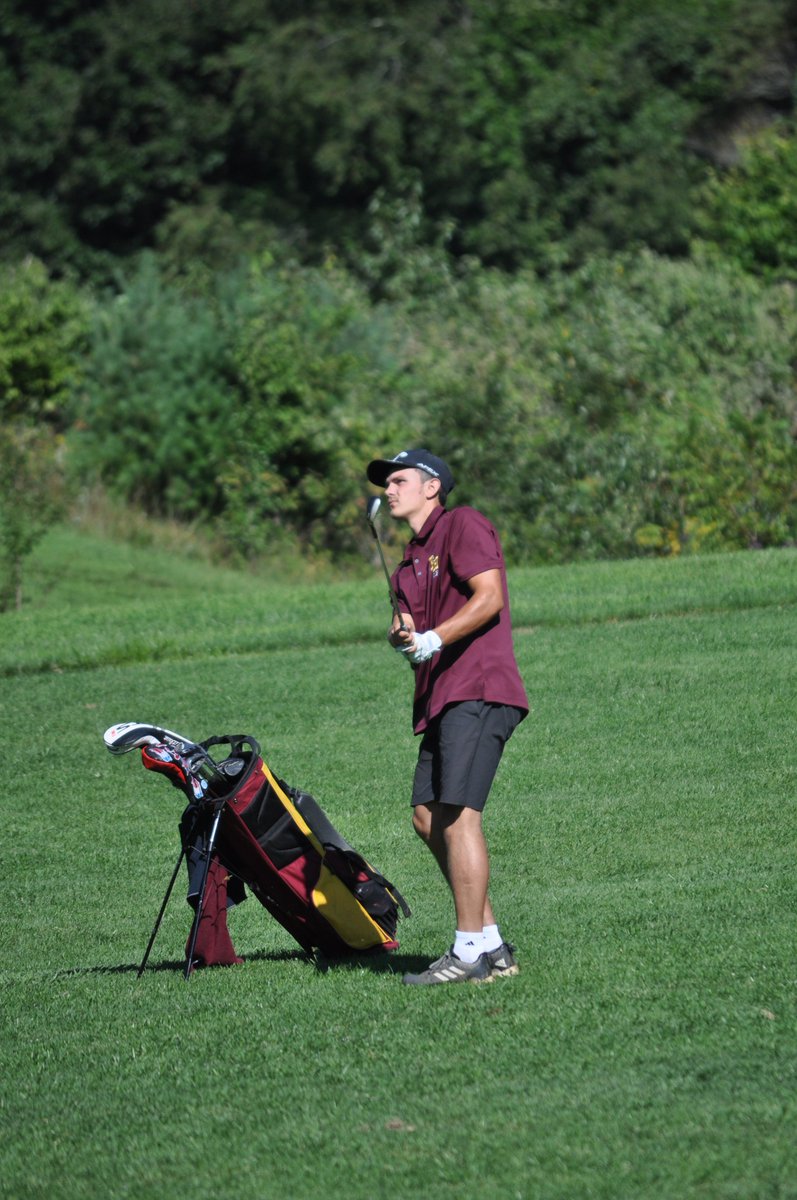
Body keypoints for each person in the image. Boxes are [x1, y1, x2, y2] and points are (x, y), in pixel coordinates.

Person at [366, 448, 528, 985]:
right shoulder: (409, 560)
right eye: (386, 484)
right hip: (443, 698)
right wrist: (405, 635)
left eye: (399, 480)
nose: (389, 490)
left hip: (478, 688)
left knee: (459, 816)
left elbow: (489, 597)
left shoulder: (463, 525)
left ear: (431, 486)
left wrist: (432, 638)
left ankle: (468, 952)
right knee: (427, 816)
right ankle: (491, 945)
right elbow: (413, 628)